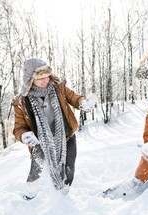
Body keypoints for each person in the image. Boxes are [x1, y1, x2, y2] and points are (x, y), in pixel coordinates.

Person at [12, 58, 95, 200]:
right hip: (40, 141)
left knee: (69, 169)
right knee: (36, 170)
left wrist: (83, 103)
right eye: (41, 78)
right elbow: (19, 127)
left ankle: (62, 197)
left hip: (66, 136)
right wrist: (24, 135)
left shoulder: (58, 87)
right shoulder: (21, 101)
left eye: (47, 76)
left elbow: (74, 98)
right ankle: (30, 194)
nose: (46, 81)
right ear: (30, 79)